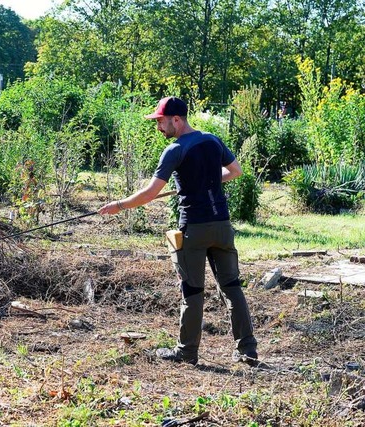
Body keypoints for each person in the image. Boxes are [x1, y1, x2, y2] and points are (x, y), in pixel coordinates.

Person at [98, 96, 258, 366]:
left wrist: (119, 205)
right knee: (232, 287)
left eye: (160, 121)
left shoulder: (175, 149)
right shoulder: (213, 140)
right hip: (222, 226)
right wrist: (202, 183)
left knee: (192, 291)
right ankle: (247, 351)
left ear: (176, 119)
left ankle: (187, 353)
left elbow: (150, 193)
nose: (158, 127)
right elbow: (235, 171)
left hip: (195, 228)